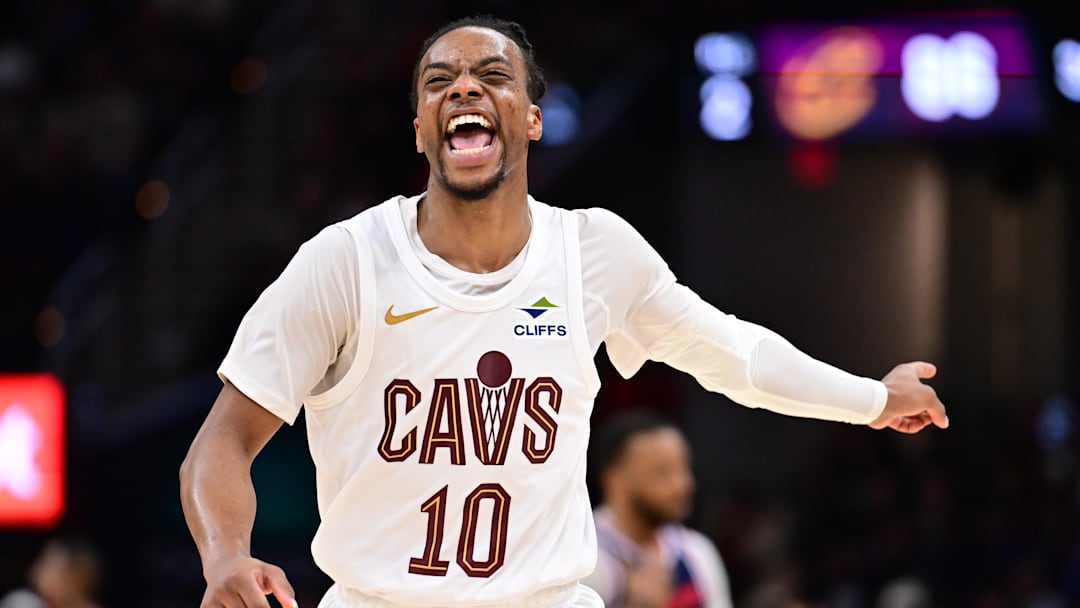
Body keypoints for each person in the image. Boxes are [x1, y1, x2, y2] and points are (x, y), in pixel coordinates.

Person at [179, 14, 948, 608]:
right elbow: (219, 446)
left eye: (492, 75)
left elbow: (733, 355)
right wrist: (225, 557)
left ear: (532, 118)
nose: (464, 89)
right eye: (439, 81)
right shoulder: (343, 261)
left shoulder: (594, 252)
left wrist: (871, 399)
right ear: (419, 128)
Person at [584, 411, 734, 608]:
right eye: (662, 473)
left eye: (683, 468)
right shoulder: (584, 557)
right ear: (615, 480)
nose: (682, 485)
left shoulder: (697, 551)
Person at [0, 538, 104, 608]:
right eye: (42, 562)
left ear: (77, 578)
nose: (39, 571)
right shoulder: (23, 603)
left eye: (51, 565)